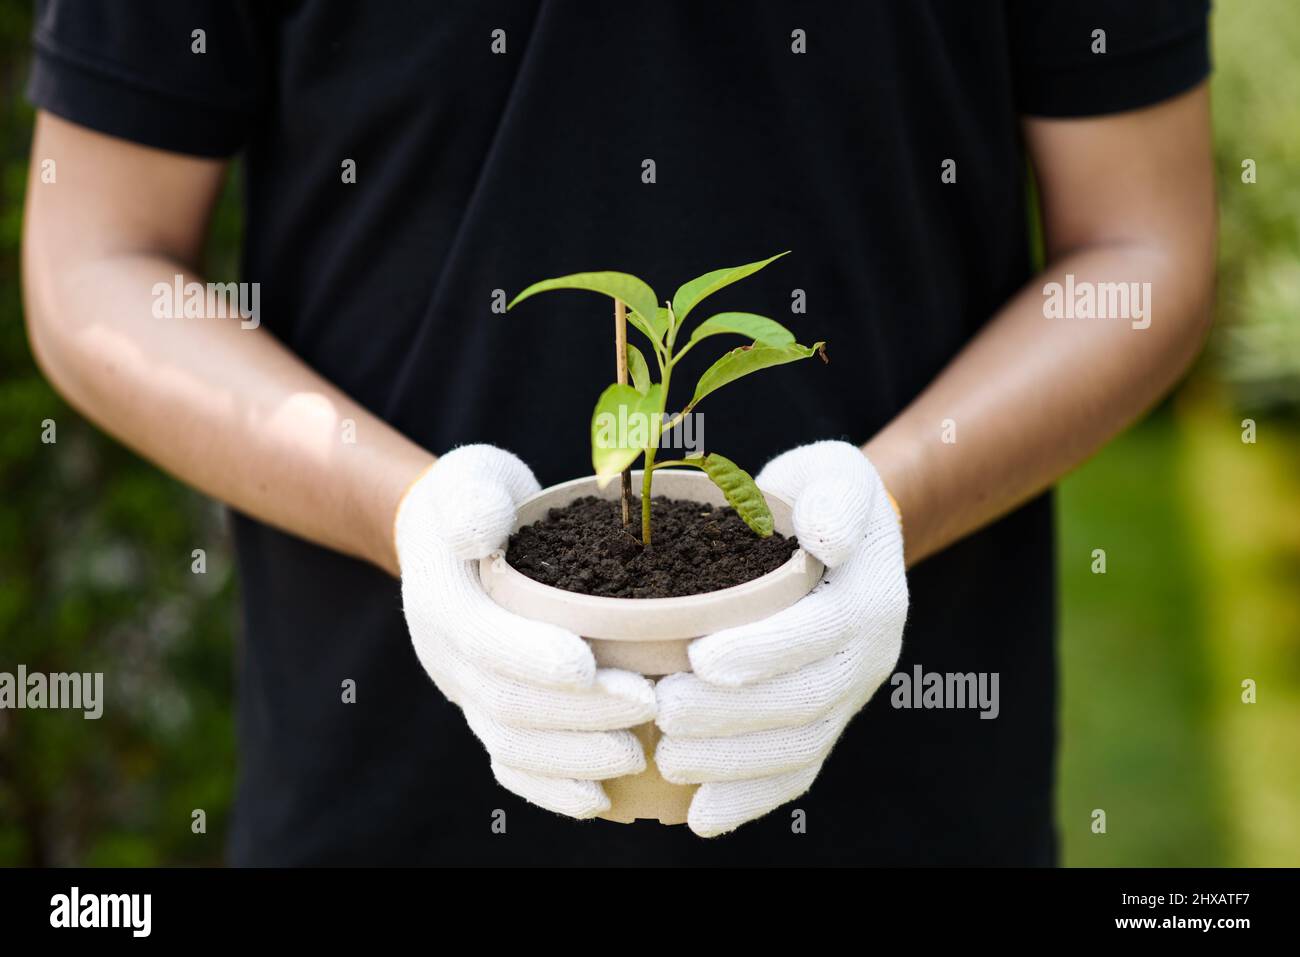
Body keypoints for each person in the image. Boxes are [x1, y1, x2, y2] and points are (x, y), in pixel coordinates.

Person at [21, 1, 1215, 865]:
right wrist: (404, 514)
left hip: (911, 796)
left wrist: (885, 508)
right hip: (384, 795)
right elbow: (97, 259)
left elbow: (1140, 244)